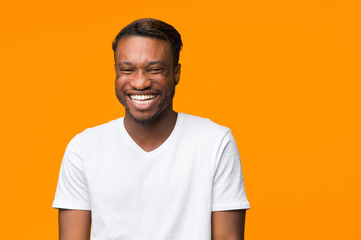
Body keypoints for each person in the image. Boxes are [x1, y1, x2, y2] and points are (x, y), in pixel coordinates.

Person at [52, 18, 250, 240]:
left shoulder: (215, 143)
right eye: (127, 70)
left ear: (176, 74)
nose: (139, 83)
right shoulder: (84, 148)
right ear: (115, 73)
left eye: (154, 69)